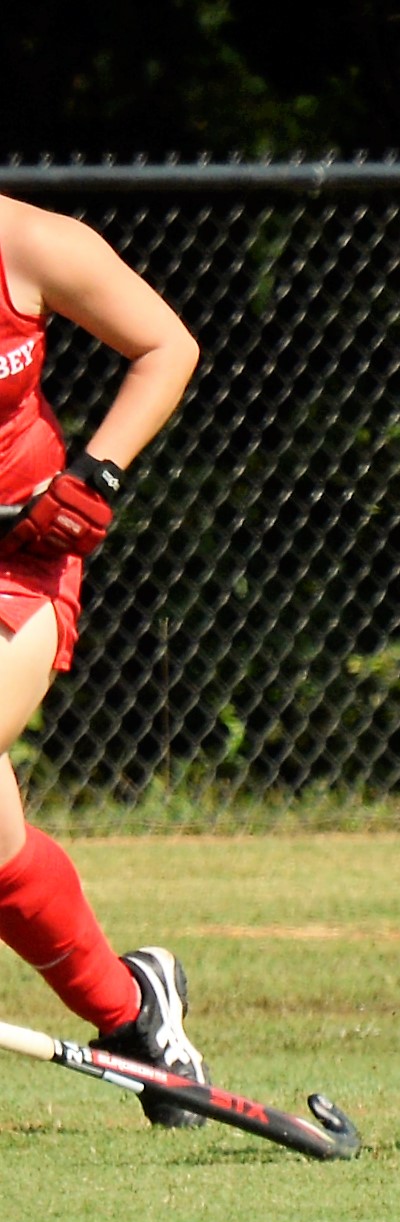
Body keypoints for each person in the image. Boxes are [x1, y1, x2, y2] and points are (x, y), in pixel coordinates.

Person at [0, 194, 205, 1126]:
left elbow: (166, 347)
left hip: (22, 558)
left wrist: (96, 473)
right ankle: (134, 1012)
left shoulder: (30, 243)